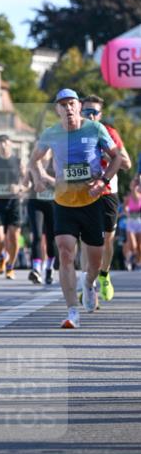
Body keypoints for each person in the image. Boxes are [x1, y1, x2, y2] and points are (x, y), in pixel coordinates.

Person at [29, 88, 122, 329]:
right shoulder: (51, 133)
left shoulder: (95, 129)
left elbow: (117, 157)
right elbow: (34, 159)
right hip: (63, 203)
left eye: (71, 103)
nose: (68, 108)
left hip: (92, 202)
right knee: (66, 252)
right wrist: (38, 177)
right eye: (63, 105)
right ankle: (72, 312)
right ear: (57, 110)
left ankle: (89, 285)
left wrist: (102, 181)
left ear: (79, 106)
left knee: (93, 262)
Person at [80, 95, 131, 301]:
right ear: (80, 112)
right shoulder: (75, 134)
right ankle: (86, 283)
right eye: (87, 112)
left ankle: (103, 275)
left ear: (100, 115)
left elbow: (126, 163)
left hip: (109, 191)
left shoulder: (109, 133)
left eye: (95, 112)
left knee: (107, 240)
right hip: (84, 192)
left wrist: (108, 155)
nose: (91, 115)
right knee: (86, 239)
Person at [0, 135, 23, 279]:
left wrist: (19, 187)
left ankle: (10, 267)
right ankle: (2, 256)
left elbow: (27, 183)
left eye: (5, 143)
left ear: (11, 145)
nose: (3, 146)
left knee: (14, 237)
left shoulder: (18, 161)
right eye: (0, 143)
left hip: (13, 203)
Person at [23, 157, 56, 285]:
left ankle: (49, 268)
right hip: (35, 203)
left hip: (53, 203)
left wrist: (46, 177)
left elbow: (62, 183)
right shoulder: (32, 164)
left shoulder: (56, 162)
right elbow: (25, 184)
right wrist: (19, 188)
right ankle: (36, 269)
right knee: (36, 235)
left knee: (51, 238)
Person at [123, 176, 141, 270]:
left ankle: (137, 262)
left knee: (139, 246)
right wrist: (126, 211)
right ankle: (129, 259)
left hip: (139, 222)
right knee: (133, 245)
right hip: (130, 222)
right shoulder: (128, 197)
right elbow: (125, 208)